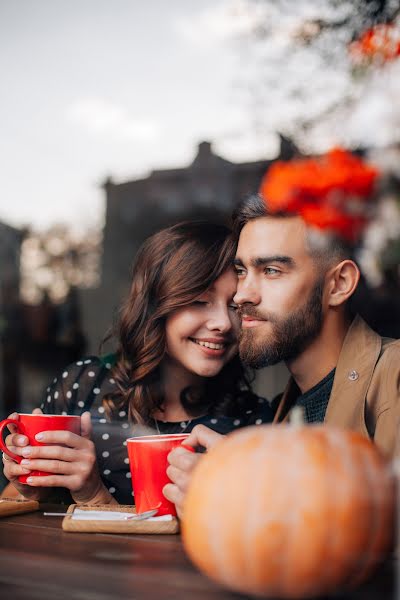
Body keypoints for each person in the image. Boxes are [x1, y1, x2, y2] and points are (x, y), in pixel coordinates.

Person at [165, 188, 400, 516]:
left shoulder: (394, 374)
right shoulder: (282, 418)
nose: (242, 295)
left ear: (339, 284)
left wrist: (252, 488)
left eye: (271, 270)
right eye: (242, 271)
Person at [2, 221, 273, 505]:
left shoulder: (253, 423)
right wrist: (32, 487)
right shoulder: (82, 387)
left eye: (234, 306)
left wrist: (95, 496)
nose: (223, 324)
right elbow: (18, 504)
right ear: (156, 306)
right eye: (199, 301)